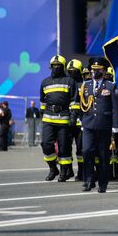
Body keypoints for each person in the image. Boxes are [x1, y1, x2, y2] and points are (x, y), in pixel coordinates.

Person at [80, 57, 118, 192]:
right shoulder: (85, 85)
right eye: (93, 70)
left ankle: (103, 183)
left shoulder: (111, 85)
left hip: (104, 125)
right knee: (86, 152)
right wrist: (81, 120)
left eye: (98, 70)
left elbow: (116, 107)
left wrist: (116, 126)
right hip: (88, 124)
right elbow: (80, 104)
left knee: (104, 155)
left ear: (104, 71)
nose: (95, 72)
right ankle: (88, 180)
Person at [39, 54, 78, 182]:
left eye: (58, 66)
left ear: (63, 67)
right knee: (46, 144)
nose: (55, 68)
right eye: (53, 66)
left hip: (63, 117)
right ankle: (52, 169)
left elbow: (74, 102)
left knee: (64, 146)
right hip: (48, 118)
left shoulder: (70, 81)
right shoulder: (45, 82)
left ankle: (63, 172)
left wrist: (73, 118)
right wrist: (42, 116)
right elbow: (42, 102)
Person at [67, 59, 84, 179]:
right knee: (65, 148)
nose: (71, 73)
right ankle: (68, 170)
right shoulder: (65, 84)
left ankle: (82, 171)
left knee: (81, 148)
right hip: (66, 120)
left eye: (74, 71)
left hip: (81, 121)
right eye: (69, 71)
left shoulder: (84, 85)